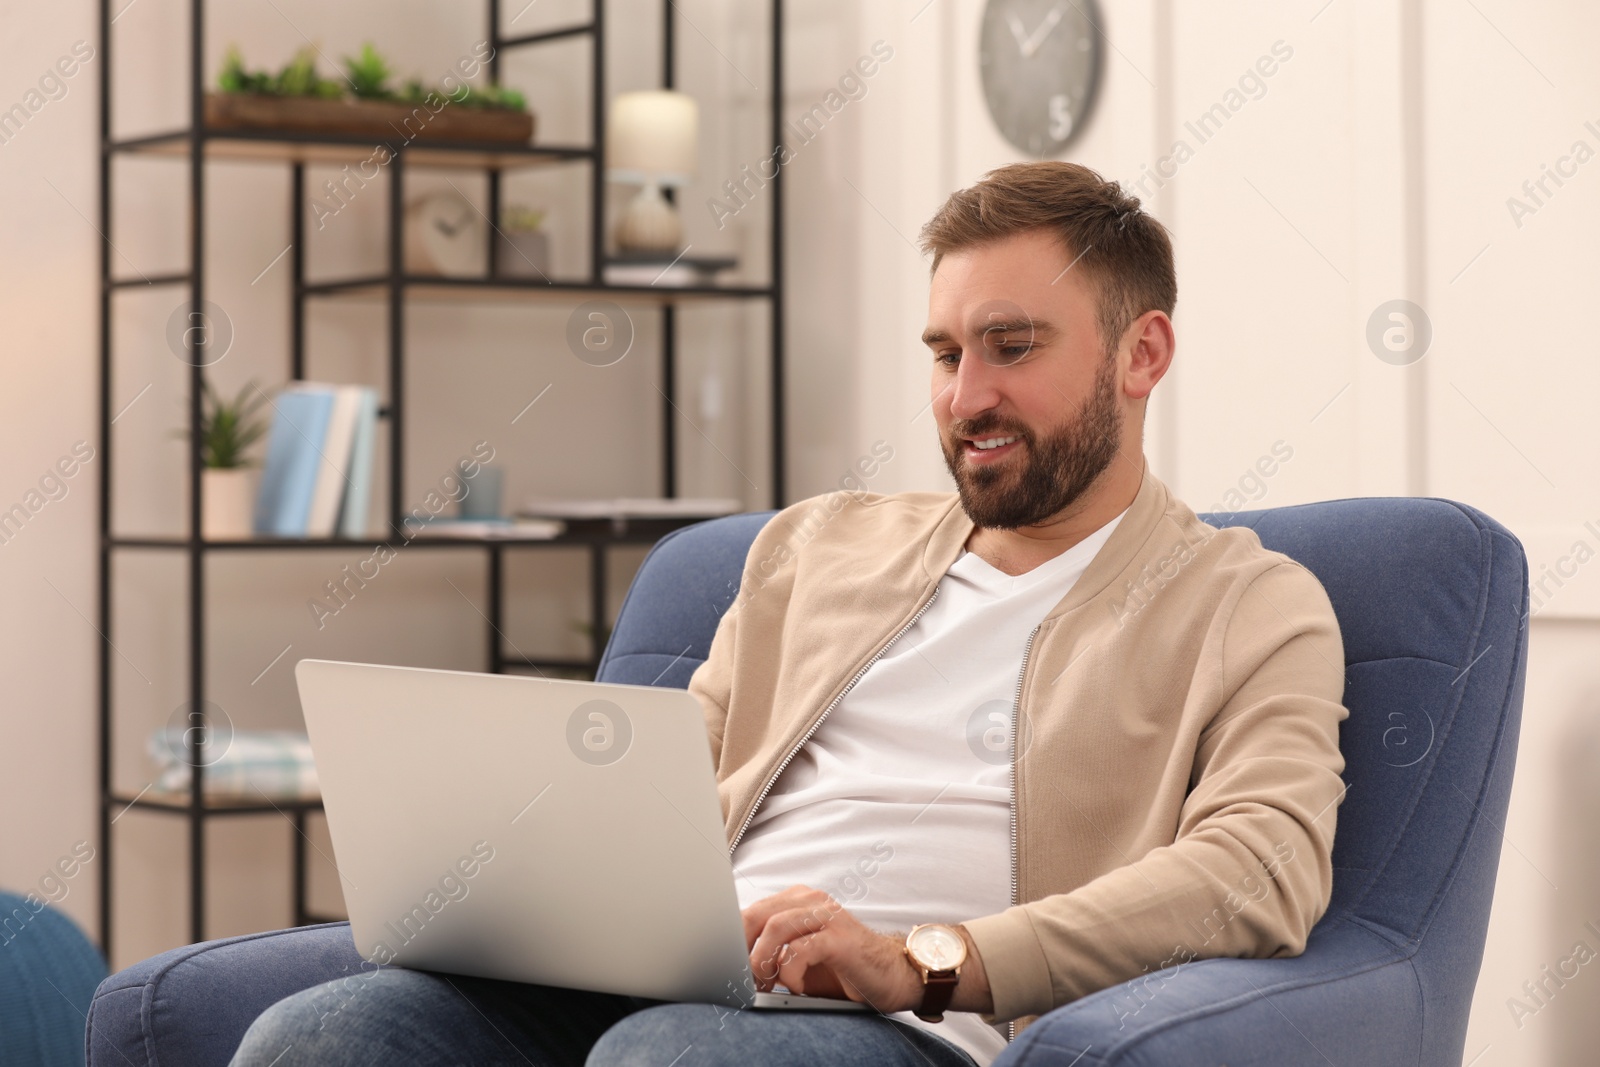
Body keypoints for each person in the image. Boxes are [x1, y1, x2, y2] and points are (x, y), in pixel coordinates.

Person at [231, 160, 1348, 1067]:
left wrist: (920, 959)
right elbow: (673, 778)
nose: (966, 398)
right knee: (323, 1035)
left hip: (910, 1024)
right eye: (947, 354)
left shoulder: (1245, 602)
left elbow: (1257, 870)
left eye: (1013, 347)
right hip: (685, 981)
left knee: (673, 1058)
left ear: (1141, 352)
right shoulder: (815, 547)